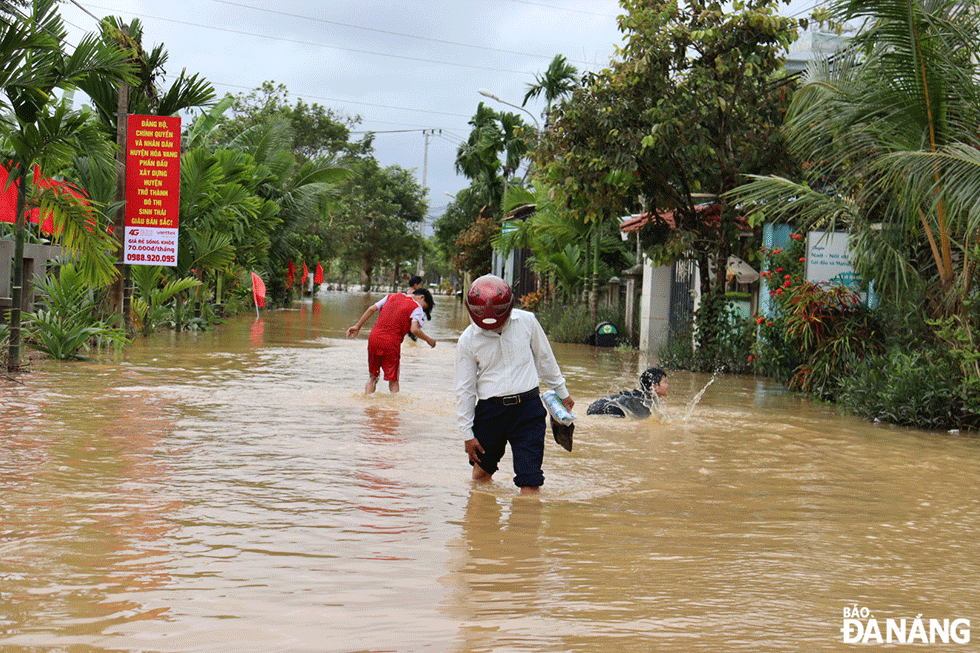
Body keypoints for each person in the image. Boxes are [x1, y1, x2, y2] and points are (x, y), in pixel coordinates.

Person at [455, 274, 575, 495]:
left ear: (509, 307)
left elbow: (545, 359)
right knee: (482, 475)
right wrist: (467, 434)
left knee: (531, 481)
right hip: (490, 413)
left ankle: (525, 527)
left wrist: (563, 394)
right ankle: (480, 526)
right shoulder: (467, 340)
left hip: (528, 411)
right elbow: (465, 390)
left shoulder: (527, 322)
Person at [347, 288, 436, 394]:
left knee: (373, 377)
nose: (422, 309)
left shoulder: (391, 296)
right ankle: (394, 409)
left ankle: (367, 405)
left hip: (374, 338)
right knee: (393, 380)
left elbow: (371, 309)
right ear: (422, 297)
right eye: (424, 306)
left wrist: (357, 326)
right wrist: (429, 339)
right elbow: (414, 329)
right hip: (391, 343)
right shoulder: (417, 307)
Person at [586, 367, 668, 419]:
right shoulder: (643, 404)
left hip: (596, 406)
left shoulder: (644, 398)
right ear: (654, 386)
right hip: (600, 411)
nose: (667, 385)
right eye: (665, 382)